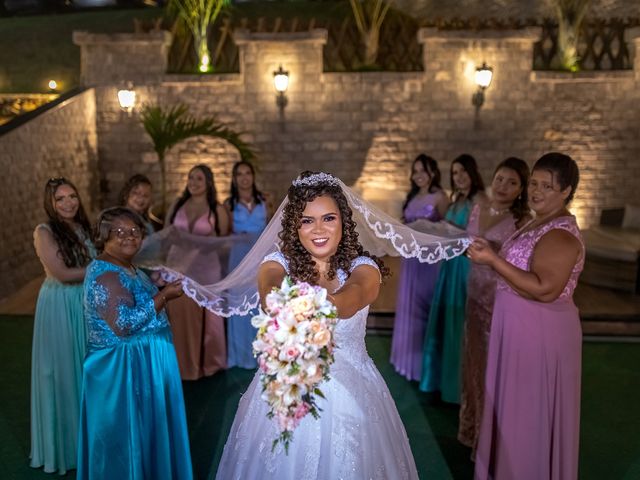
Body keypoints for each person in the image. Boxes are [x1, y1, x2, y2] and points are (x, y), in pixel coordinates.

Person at [215, 171, 429, 479]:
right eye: (306, 220)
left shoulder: (364, 269)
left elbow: (348, 300)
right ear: (294, 226)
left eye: (328, 218)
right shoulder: (277, 264)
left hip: (354, 392)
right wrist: (282, 304)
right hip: (287, 391)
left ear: (343, 221)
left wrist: (305, 306)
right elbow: (271, 292)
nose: (318, 229)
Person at [468, 153, 583, 480]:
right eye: (533, 182)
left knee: (528, 416)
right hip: (520, 329)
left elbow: (545, 287)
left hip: (540, 335)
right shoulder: (537, 220)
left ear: (566, 191)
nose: (536, 191)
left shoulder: (561, 232)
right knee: (512, 412)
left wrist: (492, 259)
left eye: (547, 186)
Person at [77, 207, 192, 479]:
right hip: (122, 375)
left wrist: (158, 285)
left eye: (135, 231)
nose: (129, 237)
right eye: (120, 232)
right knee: (125, 440)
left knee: (147, 436)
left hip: (142, 367)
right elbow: (124, 325)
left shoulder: (127, 266)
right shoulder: (105, 274)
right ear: (104, 236)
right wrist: (164, 296)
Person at [457, 157, 530, 455]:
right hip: (473, 294)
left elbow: (522, 263)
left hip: (500, 300)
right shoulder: (478, 208)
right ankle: (471, 429)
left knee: (493, 370)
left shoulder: (522, 221)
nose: (503, 186)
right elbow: (467, 247)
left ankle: (492, 442)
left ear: (521, 189)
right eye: (500, 178)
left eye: (512, 182)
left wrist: (495, 256)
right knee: (472, 362)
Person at [30, 177, 95, 475]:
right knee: (61, 373)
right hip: (59, 306)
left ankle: (88, 445)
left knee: (84, 371)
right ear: (51, 203)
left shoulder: (82, 227)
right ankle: (65, 450)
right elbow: (61, 273)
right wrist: (103, 267)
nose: (69, 203)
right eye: (61, 199)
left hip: (84, 303)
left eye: (72, 196)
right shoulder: (44, 232)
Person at [420, 153, 486, 403]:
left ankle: (457, 388)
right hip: (449, 263)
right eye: (455, 173)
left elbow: (481, 233)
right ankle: (438, 381)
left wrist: (452, 232)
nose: (458, 177)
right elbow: (448, 227)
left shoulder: (480, 199)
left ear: (473, 172)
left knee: (458, 323)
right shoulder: (457, 199)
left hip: (466, 266)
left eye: (463, 172)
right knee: (444, 320)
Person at [165, 164, 231, 379]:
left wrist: (206, 245)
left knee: (208, 318)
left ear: (208, 182)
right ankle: (183, 364)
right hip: (179, 267)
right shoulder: (178, 204)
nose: (193, 182)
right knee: (179, 315)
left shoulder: (217, 209)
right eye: (190, 178)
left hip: (206, 268)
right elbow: (167, 233)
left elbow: (225, 243)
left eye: (199, 179)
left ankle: (209, 364)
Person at [390, 154, 449, 381]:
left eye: (423, 170)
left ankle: (427, 369)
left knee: (426, 309)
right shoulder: (412, 197)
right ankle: (407, 363)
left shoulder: (440, 197)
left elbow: (448, 230)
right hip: (410, 260)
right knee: (410, 307)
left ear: (433, 172)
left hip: (429, 261)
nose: (418, 176)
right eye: (415, 171)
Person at [224, 160, 269, 368]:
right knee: (238, 303)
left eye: (247, 173)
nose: (244, 177)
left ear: (252, 176)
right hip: (239, 257)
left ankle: (262, 353)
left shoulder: (265, 200)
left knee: (259, 300)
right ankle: (239, 355)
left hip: (260, 256)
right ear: (234, 179)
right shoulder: (228, 204)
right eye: (239, 174)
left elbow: (271, 228)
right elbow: (223, 235)